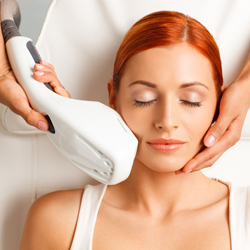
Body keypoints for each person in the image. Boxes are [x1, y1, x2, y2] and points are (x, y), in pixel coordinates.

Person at [18, 11, 250, 249]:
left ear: (219, 103)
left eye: (191, 100)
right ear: (113, 98)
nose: (167, 121)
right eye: (144, 98)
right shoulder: (58, 221)